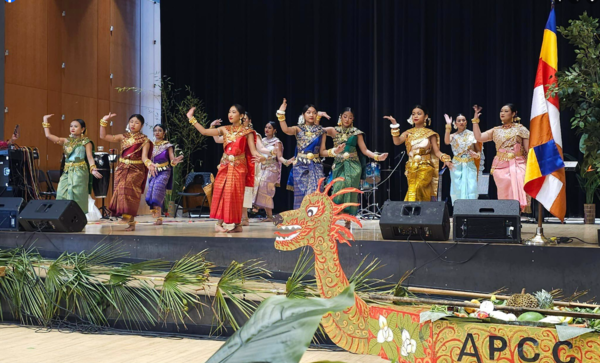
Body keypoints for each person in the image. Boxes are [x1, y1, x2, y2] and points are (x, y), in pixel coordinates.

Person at [187, 104, 261, 233]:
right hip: (225, 167)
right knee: (222, 192)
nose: (230, 115)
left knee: (236, 195)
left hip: (239, 167)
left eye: (234, 112)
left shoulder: (247, 132)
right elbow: (204, 132)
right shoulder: (224, 129)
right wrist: (191, 118)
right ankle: (219, 223)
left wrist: (264, 158)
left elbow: (254, 152)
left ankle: (237, 224)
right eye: (229, 112)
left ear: (242, 116)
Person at [209, 113, 289, 225]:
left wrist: (272, 152)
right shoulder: (233, 133)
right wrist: (212, 127)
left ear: (249, 121)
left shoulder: (252, 133)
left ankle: (244, 219)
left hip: (249, 166)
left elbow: (261, 148)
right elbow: (218, 140)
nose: (242, 121)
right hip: (235, 165)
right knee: (233, 192)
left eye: (245, 119)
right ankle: (234, 219)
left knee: (245, 192)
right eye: (241, 119)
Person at [321, 108, 388, 227]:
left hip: (353, 165)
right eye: (345, 116)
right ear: (341, 117)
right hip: (339, 164)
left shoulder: (357, 132)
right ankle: (334, 215)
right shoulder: (333, 130)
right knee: (338, 188)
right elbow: (317, 130)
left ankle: (348, 219)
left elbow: (365, 150)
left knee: (350, 190)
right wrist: (318, 116)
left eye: (350, 117)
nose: (347, 119)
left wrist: (377, 157)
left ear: (353, 119)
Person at [277, 98, 343, 209]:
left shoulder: (321, 131)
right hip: (300, 167)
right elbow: (286, 130)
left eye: (314, 112)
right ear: (303, 115)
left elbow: (322, 151)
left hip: (316, 166)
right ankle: (302, 221)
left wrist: (334, 151)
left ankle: (314, 222)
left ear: (317, 114)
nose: (311, 115)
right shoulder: (298, 129)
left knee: (315, 193)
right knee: (301, 195)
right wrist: (281, 113)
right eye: (308, 112)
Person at [384, 105, 453, 202]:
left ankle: (411, 211)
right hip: (411, 167)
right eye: (413, 114)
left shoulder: (430, 133)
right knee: (413, 189)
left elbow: (437, 152)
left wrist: (446, 159)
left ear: (425, 117)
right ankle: (415, 213)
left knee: (418, 187)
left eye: (419, 114)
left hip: (425, 167)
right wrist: (394, 125)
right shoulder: (408, 133)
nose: (415, 116)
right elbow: (397, 141)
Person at [100, 113, 153, 231]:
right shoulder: (122, 136)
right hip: (122, 168)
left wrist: (149, 164)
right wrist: (104, 121)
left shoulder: (145, 140)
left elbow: (144, 157)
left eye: (137, 122)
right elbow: (104, 136)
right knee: (121, 191)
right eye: (131, 121)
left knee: (127, 189)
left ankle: (126, 215)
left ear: (142, 125)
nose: (133, 124)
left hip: (136, 170)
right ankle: (131, 222)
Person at [473, 104, 530, 211]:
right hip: (500, 167)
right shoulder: (496, 130)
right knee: (504, 192)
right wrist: (475, 121)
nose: (502, 113)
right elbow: (479, 137)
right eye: (501, 111)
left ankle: (517, 215)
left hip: (518, 164)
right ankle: (506, 214)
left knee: (517, 189)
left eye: (506, 111)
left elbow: (528, 150)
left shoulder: (521, 129)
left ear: (513, 114)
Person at [42, 115, 102, 213]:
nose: (72, 128)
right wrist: (45, 120)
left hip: (80, 171)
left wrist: (93, 168)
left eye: (75, 126)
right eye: (71, 126)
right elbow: (48, 136)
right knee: (61, 192)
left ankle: (77, 217)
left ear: (82, 129)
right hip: (67, 171)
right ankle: (62, 215)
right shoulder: (66, 141)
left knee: (77, 195)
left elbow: (90, 157)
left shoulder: (86, 142)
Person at [253, 121, 293, 222]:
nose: (267, 129)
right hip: (262, 167)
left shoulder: (277, 142)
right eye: (266, 127)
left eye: (270, 128)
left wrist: (287, 162)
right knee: (261, 187)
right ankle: (269, 216)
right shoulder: (261, 141)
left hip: (272, 169)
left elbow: (279, 157)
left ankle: (257, 207)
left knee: (264, 187)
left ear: (274, 130)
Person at [145, 124, 184, 225]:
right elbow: (147, 159)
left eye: (160, 130)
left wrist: (174, 161)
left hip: (164, 171)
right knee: (151, 193)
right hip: (153, 172)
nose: (157, 132)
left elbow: (172, 160)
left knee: (157, 191)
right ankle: (158, 217)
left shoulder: (168, 145)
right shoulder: (150, 145)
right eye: (155, 130)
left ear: (164, 133)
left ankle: (159, 218)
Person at [444, 112, 480, 204]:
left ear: (466, 122)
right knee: (457, 187)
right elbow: (447, 141)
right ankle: (459, 208)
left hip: (470, 163)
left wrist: (476, 155)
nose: (461, 122)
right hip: (456, 164)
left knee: (471, 186)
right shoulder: (452, 136)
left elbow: (478, 150)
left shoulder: (472, 134)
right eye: (459, 121)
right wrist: (448, 127)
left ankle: (471, 208)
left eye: (463, 120)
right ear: (455, 123)